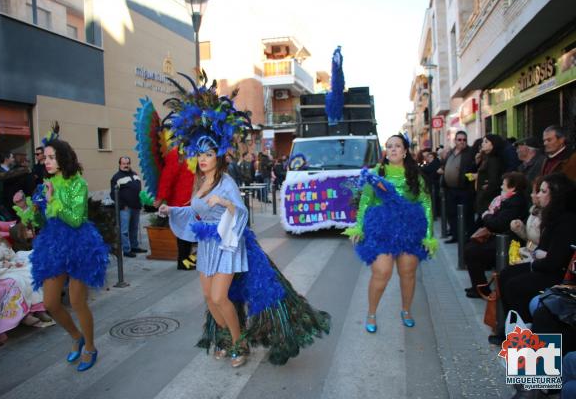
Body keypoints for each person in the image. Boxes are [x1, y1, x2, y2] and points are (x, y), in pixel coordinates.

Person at [160, 76, 330, 368]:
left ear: (219, 156)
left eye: (208, 154)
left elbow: (240, 212)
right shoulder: (198, 182)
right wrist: (171, 210)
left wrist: (224, 202)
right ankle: (226, 337)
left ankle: (241, 343)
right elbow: (193, 211)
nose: (203, 159)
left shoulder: (225, 181)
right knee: (209, 299)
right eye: (199, 154)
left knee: (219, 295)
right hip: (207, 246)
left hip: (228, 244)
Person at [16, 139, 110, 372]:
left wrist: (53, 200)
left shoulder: (78, 183)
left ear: (63, 158)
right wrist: (28, 210)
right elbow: (41, 221)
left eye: (50, 157)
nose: (45, 162)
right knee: (50, 302)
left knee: (78, 302)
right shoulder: (45, 185)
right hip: (53, 247)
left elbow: (77, 220)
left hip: (80, 246)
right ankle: (75, 336)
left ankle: (90, 346)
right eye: (44, 158)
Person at [343, 134, 437, 333]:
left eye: (397, 146)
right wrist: (359, 227)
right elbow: (365, 202)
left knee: (408, 273)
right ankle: (371, 312)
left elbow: (426, 204)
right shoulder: (377, 173)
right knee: (382, 272)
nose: (393, 149)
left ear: (405, 151)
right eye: (389, 146)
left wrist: (429, 235)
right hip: (381, 230)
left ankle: (406, 310)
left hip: (409, 230)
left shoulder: (415, 175)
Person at [487, 173, 576, 345]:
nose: (538, 195)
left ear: (555, 195)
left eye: (543, 191)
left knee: (516, 285)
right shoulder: (551, 215)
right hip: (544, 265)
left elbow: (554, 261)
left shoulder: (566, 220)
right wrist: (536, 256)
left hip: (557, 275)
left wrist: (536, 259)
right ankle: (510, 329)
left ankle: (522, 335)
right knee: (505, 274)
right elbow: (542, 250)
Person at [0, 223, 50, 341]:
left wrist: (16, 261)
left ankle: (38, 308)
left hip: (10, 268)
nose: (0, 235)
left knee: (30, 273)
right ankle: (25, 315)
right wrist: (2, 264)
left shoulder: (3, 243)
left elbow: (12, 256)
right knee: (18, 280)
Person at [464, 172, 529, 297]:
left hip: (507, 241)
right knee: (471, 247)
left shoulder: (515, 202)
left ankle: (481, 289)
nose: (501, 187)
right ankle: (479, 286)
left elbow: (498, 223)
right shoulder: (506, 200)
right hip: (500, 237)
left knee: (472, 251)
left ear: (513, 187)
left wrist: (487, 216)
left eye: (504, 184)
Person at [154, 148, 196, 270]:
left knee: (189, 231)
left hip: (191, 200)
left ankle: (186, 258)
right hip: (180, 201)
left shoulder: (194, 151)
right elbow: (168, 176)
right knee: (183, 232)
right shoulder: (176, 153)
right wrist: (161, 197)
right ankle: (182, 261)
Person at [437, 131, 474, 243]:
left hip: (464, 189)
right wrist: (443, 169)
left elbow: (474, 167)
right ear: (455, 141)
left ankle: (467, 236)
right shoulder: (451, 152)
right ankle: (455, 235)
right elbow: (445, 163)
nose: (462, 142)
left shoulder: (470, 153)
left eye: (464, 140)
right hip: (450, 189)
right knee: (452, 213)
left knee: (466, 214)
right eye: (459, 139)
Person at [110, 156, 147, 258]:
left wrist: (141, 202)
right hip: (125, 208)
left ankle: (134, 246)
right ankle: (126, 250)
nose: (126, 165)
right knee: (124, 231)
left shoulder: (135, 175)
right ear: (120, 164)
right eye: (124, 163)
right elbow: (113, 194)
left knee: (134, 229)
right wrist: (122, 206)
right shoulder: (116, 177)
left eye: (128, 163)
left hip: (136, 206)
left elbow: (139, 190)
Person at [474, 134, 506, 221]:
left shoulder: (494, 160)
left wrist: (484, 192)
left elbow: (494, 180)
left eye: (486, 142)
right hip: (483, 197)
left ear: (493, 144)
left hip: (488, 199)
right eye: (483, 141)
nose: (483, 144)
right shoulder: (486, 158)